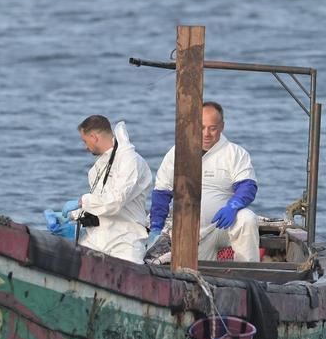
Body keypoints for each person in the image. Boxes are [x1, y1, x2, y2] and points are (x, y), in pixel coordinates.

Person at [148, 101, 260, 262]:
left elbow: (247, 186)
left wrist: (232, 206)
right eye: (201, 127)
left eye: (212, 128)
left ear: (222, 126)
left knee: (247, 218)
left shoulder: (235, 153)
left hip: (223, 226)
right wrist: (156, 227)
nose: (206, 133)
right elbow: (162, 192)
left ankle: (248, 274)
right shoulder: (177, 152)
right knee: (180, 268)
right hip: (191, 231)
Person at [73, 115, 153, 263]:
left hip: (125, 243)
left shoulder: (129, 161)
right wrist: (72, 215)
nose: (85, 146)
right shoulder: (98, 167)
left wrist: (82, 202)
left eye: (85, 141)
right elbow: (99, 204)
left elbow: (115, 202)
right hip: (98, 239)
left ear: (94, 137)